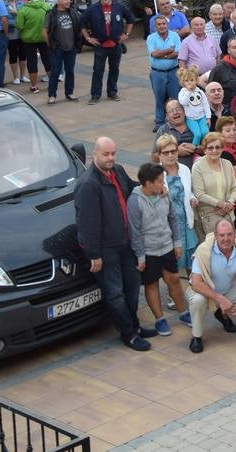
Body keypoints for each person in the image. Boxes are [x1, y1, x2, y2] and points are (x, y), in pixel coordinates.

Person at [74, 137, 155, 351]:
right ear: (95, 155)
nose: (110, 158)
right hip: (106, 250)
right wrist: (94, 255)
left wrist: (151, 186)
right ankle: (128, 333)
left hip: (126, 243)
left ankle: (135, 326)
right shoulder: (88, 184)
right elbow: (87, 224)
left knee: (131, 287)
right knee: (115, 293)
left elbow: (132, 188)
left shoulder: (117, 171)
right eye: (106, 154)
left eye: (113, 153)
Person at [128, 162, 190, 337]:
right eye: (160, 181)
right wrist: (140, 256)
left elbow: (173, 218)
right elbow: (135, 231)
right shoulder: (135, 201)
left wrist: (177, 242)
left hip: (167, 246)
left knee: (174, 280)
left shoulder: (164, 194)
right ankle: (160, 319)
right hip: (148, 251)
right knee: (151, 284)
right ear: (147, 183)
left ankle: (184, 313)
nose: (163, 184)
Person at [185, 218, 236, 354]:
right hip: (203, 291)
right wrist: (219, 299)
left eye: (229, 234)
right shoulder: (203, 250)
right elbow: (196, 283)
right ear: (215, 235)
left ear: (235, 233)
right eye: (222, 235)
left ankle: (222, 314)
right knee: (197, 301)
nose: (226, 239)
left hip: (227, 290)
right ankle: (197, 337)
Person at [83, 0, 131, 104]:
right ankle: (95, 95)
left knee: (114, 69)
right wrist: (88, 38)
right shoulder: (92, 9)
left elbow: (130, 19)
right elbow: (81, 24)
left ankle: (112, 92)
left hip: (116, 45)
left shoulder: (119, 7)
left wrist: (127, 34)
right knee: (98, 70)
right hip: (100, 45)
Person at [43, 0, 82, 103]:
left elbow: (79, 27)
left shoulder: (73, 12)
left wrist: (77, 42)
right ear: (58, 1)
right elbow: (44, 31)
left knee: (70, 71)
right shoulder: (51, 14)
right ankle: (52, 95)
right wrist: (50, 44)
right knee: (55, 72)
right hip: (57, 49)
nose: (68, 1)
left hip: (71, 48)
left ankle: (69, 93)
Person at [146, 15, 183, 130]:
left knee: (176, 99)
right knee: (159, 98)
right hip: (157, 73)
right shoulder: (151, 38)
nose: (162, 26)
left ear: (167, 24)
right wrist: (169, 51)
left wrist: (162, 54)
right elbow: (154, 54)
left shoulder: (175, 35)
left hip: (173, 72)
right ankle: (160, 123)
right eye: (159, 24)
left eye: (164, 24)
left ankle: (177, 122)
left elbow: (178, 52)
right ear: (155, 26)